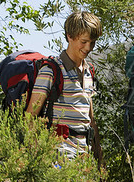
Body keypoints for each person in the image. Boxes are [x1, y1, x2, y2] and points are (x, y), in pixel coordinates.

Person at [28, 11, 103, 165]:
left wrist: (100, 161)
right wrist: (35, 159)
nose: (88, 47)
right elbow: (30, 117)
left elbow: (91, 121)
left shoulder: (89, 71)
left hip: (84, 157)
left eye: (92, 42)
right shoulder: (51, 70)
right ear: (69, 36)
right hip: (57, 157)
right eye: (83, 41)